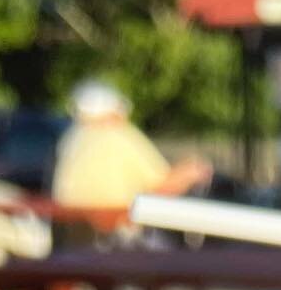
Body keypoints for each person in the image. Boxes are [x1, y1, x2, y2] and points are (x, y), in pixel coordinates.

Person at [50, 81, 211, 214]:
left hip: (73, 236)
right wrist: (191, 172)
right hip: (115, 237)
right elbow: (161, 188)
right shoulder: (120, 135)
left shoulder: (70, 139)